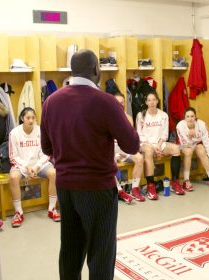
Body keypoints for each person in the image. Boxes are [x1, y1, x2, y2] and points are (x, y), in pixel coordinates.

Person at [40, 49, 140, 280]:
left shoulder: (51, 102)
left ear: (72, 70)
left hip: (65, 187)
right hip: (97, 188)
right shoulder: (106, 102)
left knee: (71, 249)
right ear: (96, 70)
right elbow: (132, 145)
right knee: (101, 253)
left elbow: (47, 148)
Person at [8, 107, 60, 228]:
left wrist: (36, 167)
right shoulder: (14, 133)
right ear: (22, 119)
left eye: (33, 118)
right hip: (22, 165)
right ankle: (18, 212)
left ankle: (52, 209)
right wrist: (27, 167)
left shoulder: (41, 131)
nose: (31, 120)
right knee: (13, 177)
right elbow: (13, 156)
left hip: (39, 164)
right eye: (28, 118)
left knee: (54, 173)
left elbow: (47, 153)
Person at [136, 92, 184, 199]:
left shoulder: (163, 115)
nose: (152, 102)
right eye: (149, 100)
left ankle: (175, 182)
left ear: (157, 101)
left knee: (176, 149)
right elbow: (140, 135)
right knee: (148, 151)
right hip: (146, 144)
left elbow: (164, 134)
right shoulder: (141, 115)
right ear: (146, 102)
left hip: (159, 144)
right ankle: (150, 186)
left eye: (154, 100)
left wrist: (158, 145)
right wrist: (153, 147)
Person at [176, 107, 209, 190]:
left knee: (202, 150)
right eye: (187, 116)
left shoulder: (202, 124)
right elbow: (185, 144)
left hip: (196, 143)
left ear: (195, 117)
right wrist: (189, 136)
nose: (190, 118)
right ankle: (186, 180)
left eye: (192, 116)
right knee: (188, 152)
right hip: (184, 145)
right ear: (184, 118)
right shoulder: (180, 126)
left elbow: (207, 142)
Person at [114, 93, 146, 202]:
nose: (120, 104)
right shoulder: (107, 116)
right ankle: (119, 190)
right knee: (110, 160)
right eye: (117, 102)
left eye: (122, 102)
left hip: (123, 147)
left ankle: (134, 188)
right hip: (111, 148)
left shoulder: (128, 117)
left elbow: (129, 136)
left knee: (139, 158)